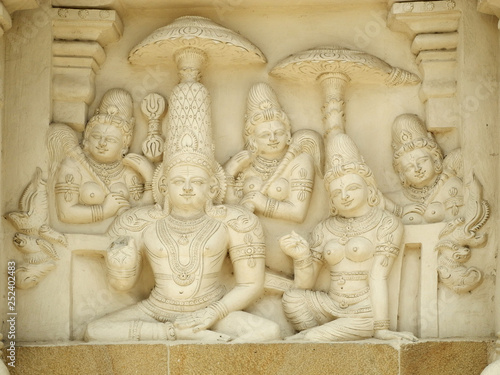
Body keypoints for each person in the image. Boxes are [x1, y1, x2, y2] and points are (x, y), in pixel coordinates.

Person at [85, 79, 280, 342]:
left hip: (213, 309)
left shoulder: (236, 222)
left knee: (270, 331)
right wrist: (122, 264)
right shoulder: (137, 222)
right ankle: (176, 335)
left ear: (212, 187)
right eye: (179, 181)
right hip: (156, 310)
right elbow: (121, 286)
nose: (187, 188)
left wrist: (212, 313)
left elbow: (250, 284)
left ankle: (216, 351)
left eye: (197, 182)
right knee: (95, 331)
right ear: (164, 186)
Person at [279, 133, 416, 342]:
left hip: (364, 310)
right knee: (292, 299)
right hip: (331, 305)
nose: (344, 196)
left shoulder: (386, 224)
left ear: (369, 189)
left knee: (314, 337)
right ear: (331, 200)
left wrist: (382, 329)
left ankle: (317, 335)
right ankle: (320, 334)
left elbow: (378, 276)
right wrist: (301, 257)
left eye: (352, 188)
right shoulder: (324, 228)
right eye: (337, 192)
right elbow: (305, 285)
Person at [53, 88, 154, 224]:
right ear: (86, 139)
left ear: (124, 145)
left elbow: (141, 216)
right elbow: (65, 213)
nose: (102, 143)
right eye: (96, 137)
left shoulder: (129, 172)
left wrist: (149, 178)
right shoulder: (73, 166)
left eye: (111, 140)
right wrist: (104, 211)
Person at [224, 83, 322, 223]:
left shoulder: (299, 161)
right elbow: (228, 207)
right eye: (264, 135)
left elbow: (297, 213)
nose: (273, 139)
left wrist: (264, 204)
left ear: (288, 134)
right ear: (253, 140)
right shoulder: (241, 162)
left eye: (279, 133)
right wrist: (228, 174)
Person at [390, 114, 463, 224]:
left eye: (422, 161)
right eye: (409, 167)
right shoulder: (394, 200)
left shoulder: (450, 186)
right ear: (402, 174)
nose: (417, 169)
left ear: (435, 160)